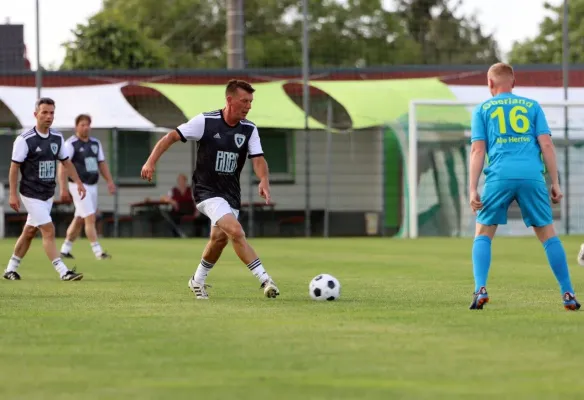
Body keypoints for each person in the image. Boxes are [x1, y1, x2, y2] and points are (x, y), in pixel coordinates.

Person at [141, 79, 280, 300]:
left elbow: (258, 159)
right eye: (244, 101)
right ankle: (265, 280)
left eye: (251, 101)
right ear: (229, 100)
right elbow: (170, 137)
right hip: (206, 192)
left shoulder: (249, 129)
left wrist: (263, 180)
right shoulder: (205, 122)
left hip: (231, 194)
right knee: (236, 231)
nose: (248, 106)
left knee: (219, 240)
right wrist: (150, 162)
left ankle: (197, 281)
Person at [469, 62, 579, 311]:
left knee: (484, 233)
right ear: (514, 83)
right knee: (548, 234)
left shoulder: (482, 109)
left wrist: (472, 188)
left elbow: (477, 150)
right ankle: (568, 294)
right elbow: (547, 145)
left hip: (499, 176)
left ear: (490, 83)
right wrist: (555, 182)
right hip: (532, 176)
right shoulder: (532, 106)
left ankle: (481, 289)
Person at [3, 98, 85, 281]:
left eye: (51, 113)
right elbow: (14, 167)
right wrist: (13, 194)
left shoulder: (57, 138)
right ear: (36, 115)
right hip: (30, 193)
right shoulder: (25, 140)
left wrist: (78, 182)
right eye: (44, 112)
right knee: (48, 230)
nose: (49, 116)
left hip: (47, 194)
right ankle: (63, 272)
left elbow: (66, 162)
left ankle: (10, 270)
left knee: (29, 232)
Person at [58, 114, 115, 260]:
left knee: (79, 218)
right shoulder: (71, 144)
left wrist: (109, 181)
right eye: (82, 124)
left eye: (87, 124)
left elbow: (101, 163)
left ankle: (65, 249)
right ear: (76, 127)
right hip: (78, 186)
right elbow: (63, 166)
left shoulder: (95, 143)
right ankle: (98, 252)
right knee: (90, 217)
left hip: (92, 185)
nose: (85, 127)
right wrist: (63, 188)